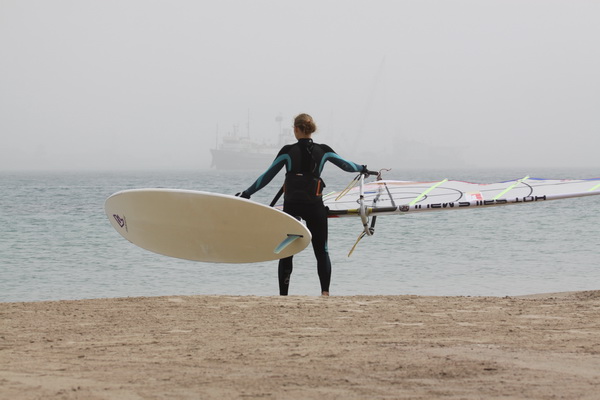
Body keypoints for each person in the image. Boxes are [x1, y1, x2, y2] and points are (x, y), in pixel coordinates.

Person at [236, 113, 371, 296]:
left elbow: (267, 176)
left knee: (286, 252)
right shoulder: (323, 150)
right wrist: (362, 168)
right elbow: (346, 165)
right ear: (311, 129)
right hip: (315, 207)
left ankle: (283, 295)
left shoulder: (287, 151)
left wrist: (247, 194)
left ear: (297, 129)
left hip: (292, 207)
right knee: (321, 251)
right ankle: (325, 293)